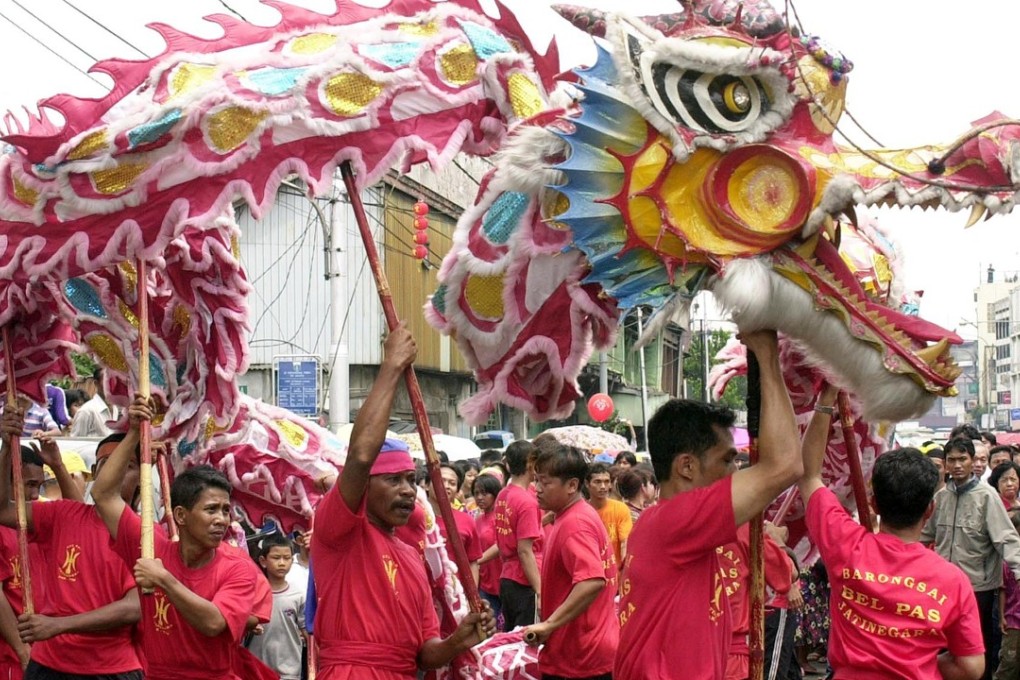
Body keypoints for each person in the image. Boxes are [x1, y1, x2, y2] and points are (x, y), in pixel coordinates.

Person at [614, 330, 802, 680]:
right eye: (727, 460)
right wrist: (766, 353)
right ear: (687, 466)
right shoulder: (677, 521)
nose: (737, 471)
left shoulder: (673, 525)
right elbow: (787, 465)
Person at [309, 324, 493, 679]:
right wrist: (391, 367)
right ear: (363, 486)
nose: (408, 490)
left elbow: (425, 654)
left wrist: (458, 640)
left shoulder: (412, 555)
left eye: (411, 480)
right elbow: (361, 455)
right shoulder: (340, 530)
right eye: (393, 480)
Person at [802, 386, 984, 679]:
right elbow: (972, 667)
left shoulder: (846, 545)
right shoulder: (953, 581)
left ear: (874, 503)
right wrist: (919, 664)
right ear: (929, 510)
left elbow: (810, 474)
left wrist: (825, 401)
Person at [92, 394, 257, 680]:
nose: (222, 519)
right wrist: (132, 433)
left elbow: (214, 623)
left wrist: (163, 578)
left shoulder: (238, 567)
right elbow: (103, 494)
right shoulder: (150, 545)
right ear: (180, 516)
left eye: (225, 510)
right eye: (211, 510)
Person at [0, 409, 143, 680]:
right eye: (108, 462)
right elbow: (2, 511)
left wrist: (59, 625)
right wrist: (8, 446)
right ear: (94, 472)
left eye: (128, 465)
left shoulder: (146, 534)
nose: (118, 470)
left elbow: (134, 607)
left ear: (140, 478)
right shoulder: (63, 514)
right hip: (48, 666)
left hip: (110, 669)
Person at [922, 437, 1020, 680]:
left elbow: (1006, 540)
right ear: (945, 464)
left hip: (978, 589)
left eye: (962, 459)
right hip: (943, 589)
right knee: (944, 648)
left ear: (972, 461)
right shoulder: (940, 498)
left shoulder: (987, 497)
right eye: (951, 460)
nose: (957, 465)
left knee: (976, 651)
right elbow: (923, 535)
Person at [525, 444, 617, 680]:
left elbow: (592, 581)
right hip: (584, 648)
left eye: (545, 482)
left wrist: (549, 625)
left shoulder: (575, 524)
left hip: (580, 656)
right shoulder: (570, 515)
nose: (537, 489)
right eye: (536, 480)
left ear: (572, 485)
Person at [719, 521, 794, 680]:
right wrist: (778, 541)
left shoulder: (677, 523)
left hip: (684, 654)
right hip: (730, 660)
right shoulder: (746, 528)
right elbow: (787, 574)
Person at [494, 440, 543, 631]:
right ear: (530, 464)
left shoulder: (503, 495)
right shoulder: (526, 502)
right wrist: (539, 590)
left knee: (511, 636)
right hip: (525, 580)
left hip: (507, 577)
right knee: (526, 639)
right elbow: (525, 551)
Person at [248, 533, 306, 680]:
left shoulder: (298, 595)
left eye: (287, 559)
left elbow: (307, 632)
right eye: (276, 558)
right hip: (255, 669)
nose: (282, 563)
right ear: (263, 561)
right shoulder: (252, 593)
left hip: (289, 671)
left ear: (292, 561)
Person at [425, 463, 482, 586]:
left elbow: (472, 562)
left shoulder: (467, 521)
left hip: (456, 594)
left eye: (452, 483)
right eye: (441, 480)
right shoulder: (413, 519)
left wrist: (472, 599)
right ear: (426, 485)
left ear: (457, 491)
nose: (446, 486)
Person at [585, 463, 631, 570]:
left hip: (615, 575)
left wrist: (625, 569)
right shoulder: (581, 511)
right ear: (587, 484)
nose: (603, 487)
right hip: (590, 573)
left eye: (606, 482)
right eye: (597, 482)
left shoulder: (621, 509)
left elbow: (625, 542)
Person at [473, 473, 504, 620]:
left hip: (502, 580)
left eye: (484, 493)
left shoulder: (501, 517)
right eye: (476, 493)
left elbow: (501, 544)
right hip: (486, 583)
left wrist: (476, 562)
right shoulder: (477, 520)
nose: (479, 497)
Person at [997, 509, 1020, 680]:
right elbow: (1002, 590)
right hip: (1013, 620)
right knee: (1009, 662)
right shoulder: (1007, 563)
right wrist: (1001, 617)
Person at [69, 371, 112, 438]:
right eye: (106, 381)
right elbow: (76, 442)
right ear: (96, 383)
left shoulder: (115, 408)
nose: (111, 385)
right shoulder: (86, 411)